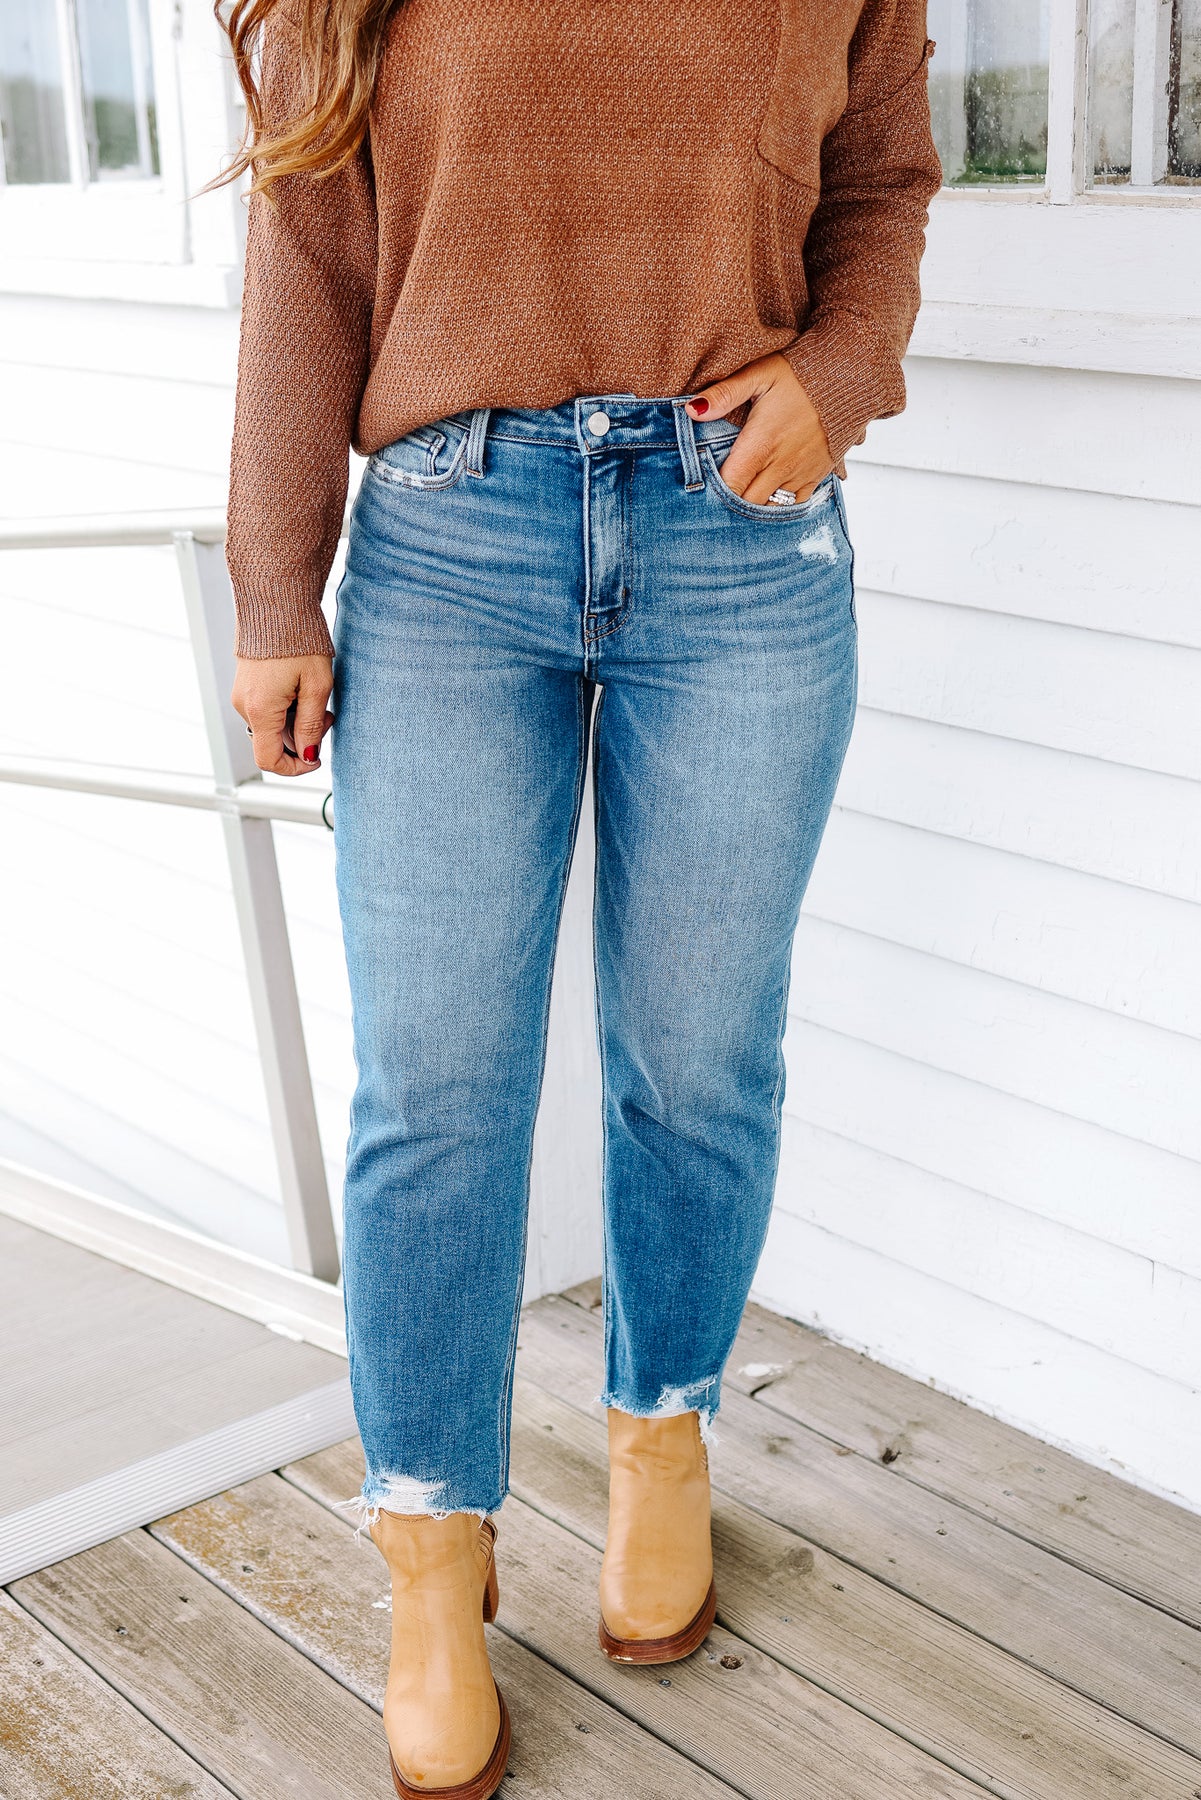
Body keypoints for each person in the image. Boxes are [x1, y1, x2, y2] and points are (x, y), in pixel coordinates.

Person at [218, 2, 941, 1793]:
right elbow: (308, 255)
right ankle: (429, 1553)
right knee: (435, 1088)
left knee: (698, 1059)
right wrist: (275, 590)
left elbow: (879, 185)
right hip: (448, 543)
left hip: (740, 533)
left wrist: (839, 372)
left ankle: (659, 1442)